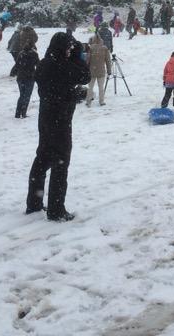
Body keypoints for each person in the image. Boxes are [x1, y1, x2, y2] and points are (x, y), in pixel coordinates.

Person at [26, 33, 90, 222]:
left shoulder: (44, 64)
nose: (70, 51)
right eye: (68, 48)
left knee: (42, 159)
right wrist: (78, 54)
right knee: (60, 164)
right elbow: (85, 76)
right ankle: (56, 209)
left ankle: (34, 203)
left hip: (45, 118)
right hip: (60, 121)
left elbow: (57, 86)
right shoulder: (63, 65)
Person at [14, 37, 39, 118]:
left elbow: (17, 65)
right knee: (27, 95)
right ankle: (23, 112)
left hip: (20, 77)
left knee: (22, 95)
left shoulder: (21, 53)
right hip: (29, 77)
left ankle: (18, 113)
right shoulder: (34, 54)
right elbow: (38, 65)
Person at [85, 33, 112, 107]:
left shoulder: (90, 48)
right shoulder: (105, 48)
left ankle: (88, 101)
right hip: (101, 71)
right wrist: (109, 70)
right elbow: (108, 61)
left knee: (90, 87)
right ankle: (101, 101)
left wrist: (85, 69)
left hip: (92, 71)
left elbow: (87, 60)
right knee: (101, 87)